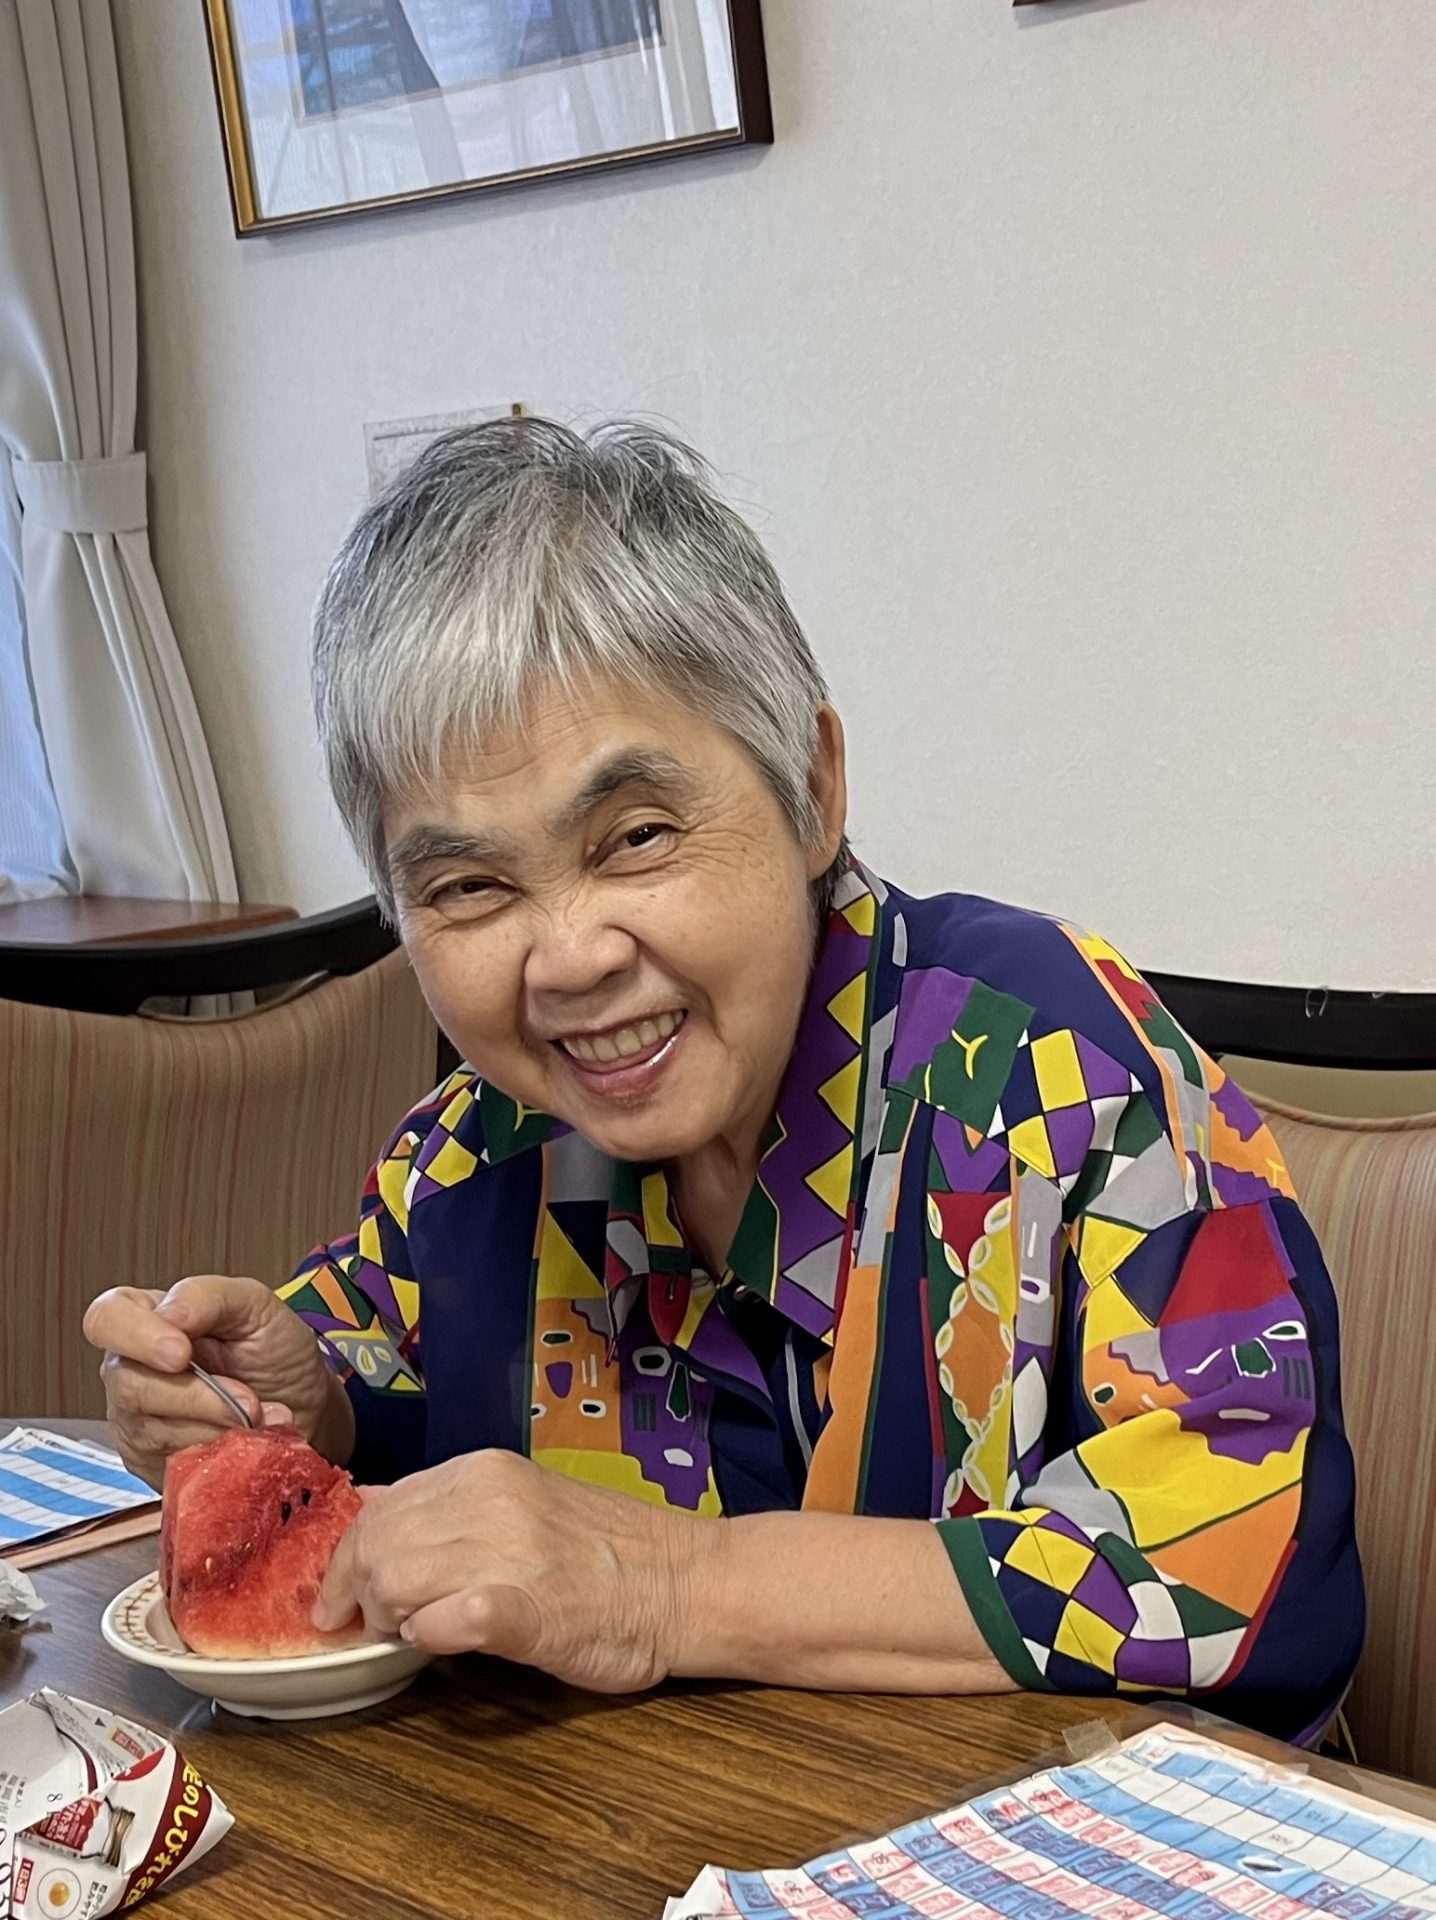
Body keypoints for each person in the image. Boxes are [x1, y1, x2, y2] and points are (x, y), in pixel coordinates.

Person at [84, 420, 1363, 1738]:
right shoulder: (474, 1151)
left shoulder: (1057, 1067)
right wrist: (300, 1403)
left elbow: (1244, 1556)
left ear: (811, 789)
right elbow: (373, 1362)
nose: (570, 959)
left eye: (636, 836)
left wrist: (671, 1585)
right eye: (469, 887)